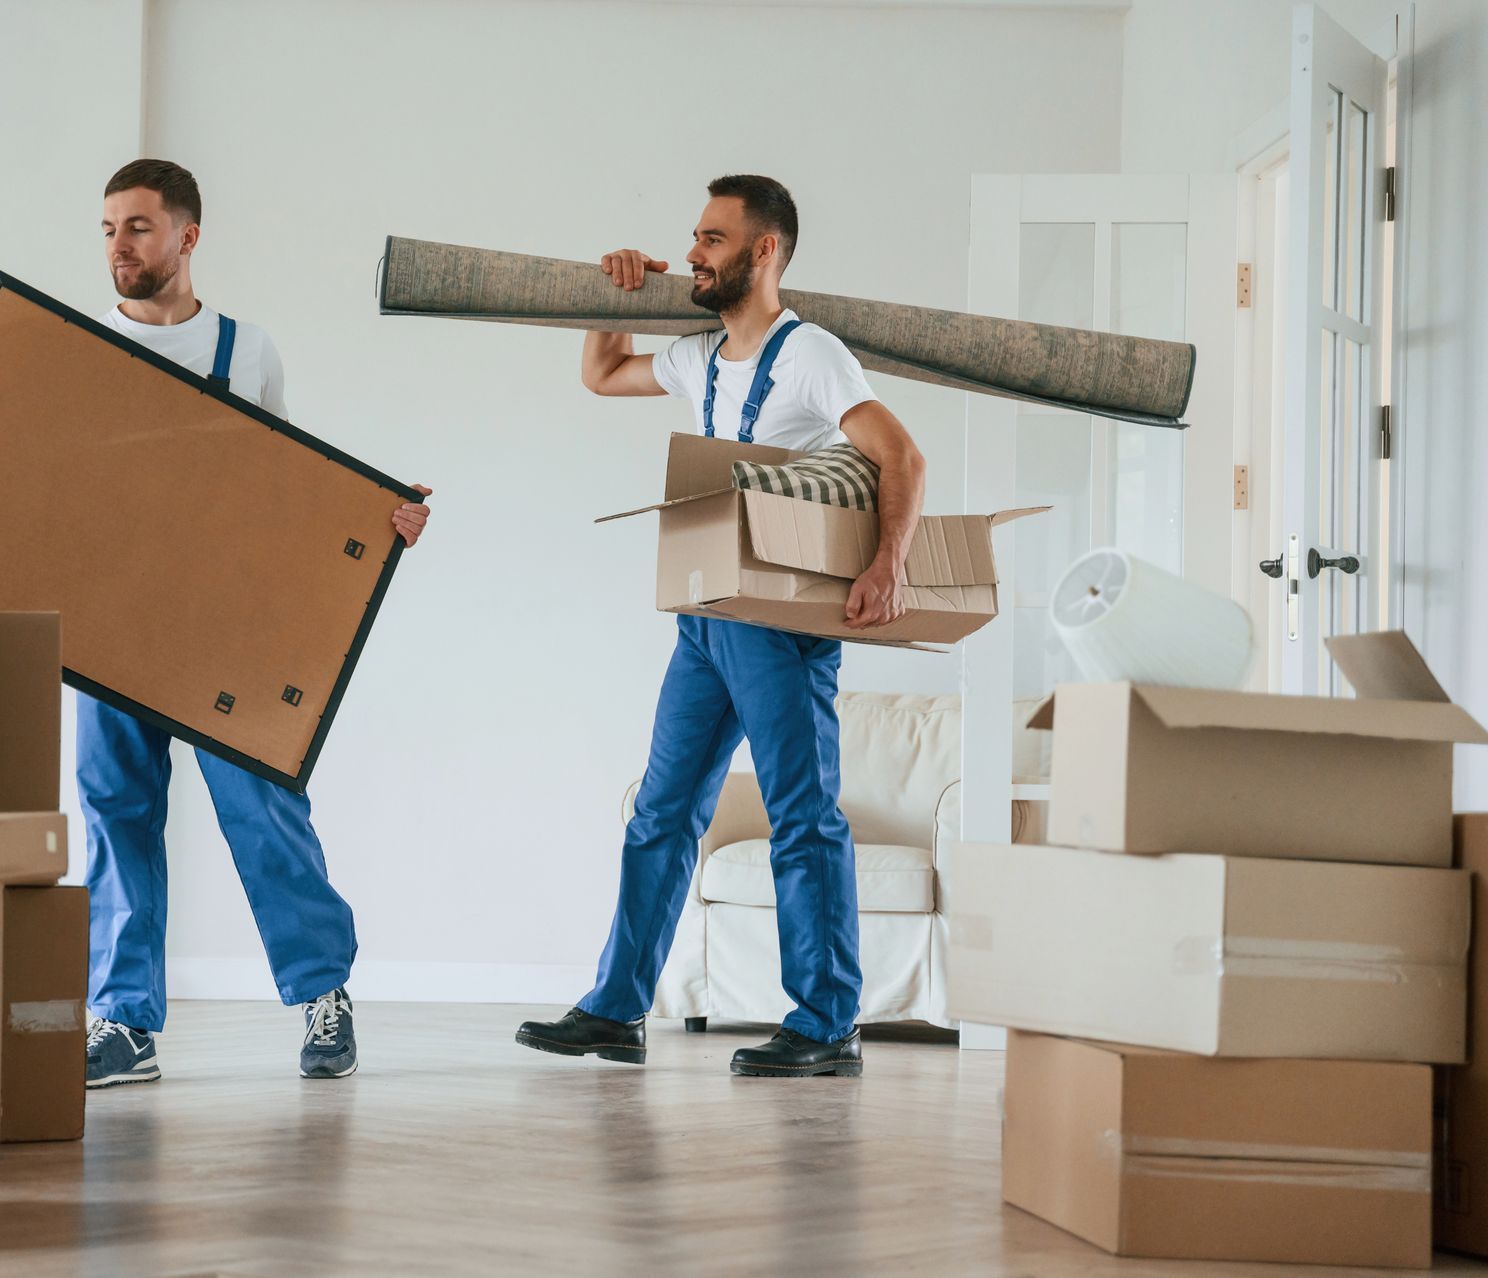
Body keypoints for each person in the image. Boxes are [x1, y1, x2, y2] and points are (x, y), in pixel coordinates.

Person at [516, 174, 925, 1077]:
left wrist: (888, 563)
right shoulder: (698, 354)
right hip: (704, 617)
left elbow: (900, 453)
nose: (694, 253)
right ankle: (617, 1010)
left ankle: (827, 1023)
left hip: (776, 624)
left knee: (801, 815)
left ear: (764, 250)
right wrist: (605, 297)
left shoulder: (812, 353)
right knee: (662, 810)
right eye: (695, 237)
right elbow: (602, 373)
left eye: (711, 239)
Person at [81, 159, 432, 1085]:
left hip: (226, 625)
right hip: (108, 622)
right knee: (116, 814)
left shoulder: (248, 352)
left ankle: (322, 996)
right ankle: (123, 1023)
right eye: (110, 228)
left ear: (187, 238)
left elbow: (291, 493)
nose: (120, 245)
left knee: (264, 810)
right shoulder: (74, 347)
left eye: (140, 227)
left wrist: (381, 515)